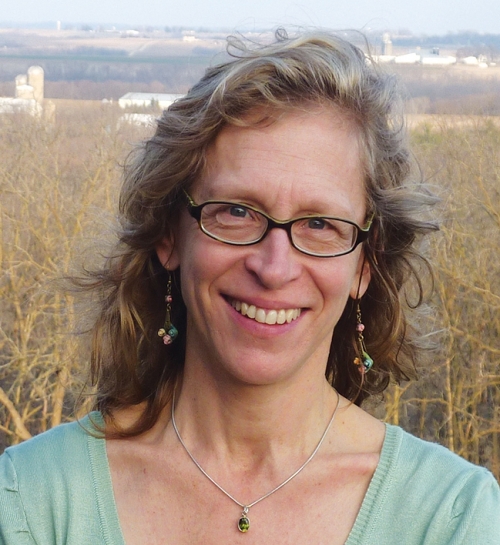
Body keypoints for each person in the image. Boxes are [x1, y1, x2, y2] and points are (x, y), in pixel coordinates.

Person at [0, 29, 499, 545]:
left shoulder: (451, 517)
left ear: (364, 266)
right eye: (236, 212)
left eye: (320, 224)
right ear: (170, 234)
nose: (275, 267)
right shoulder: (30, 502)